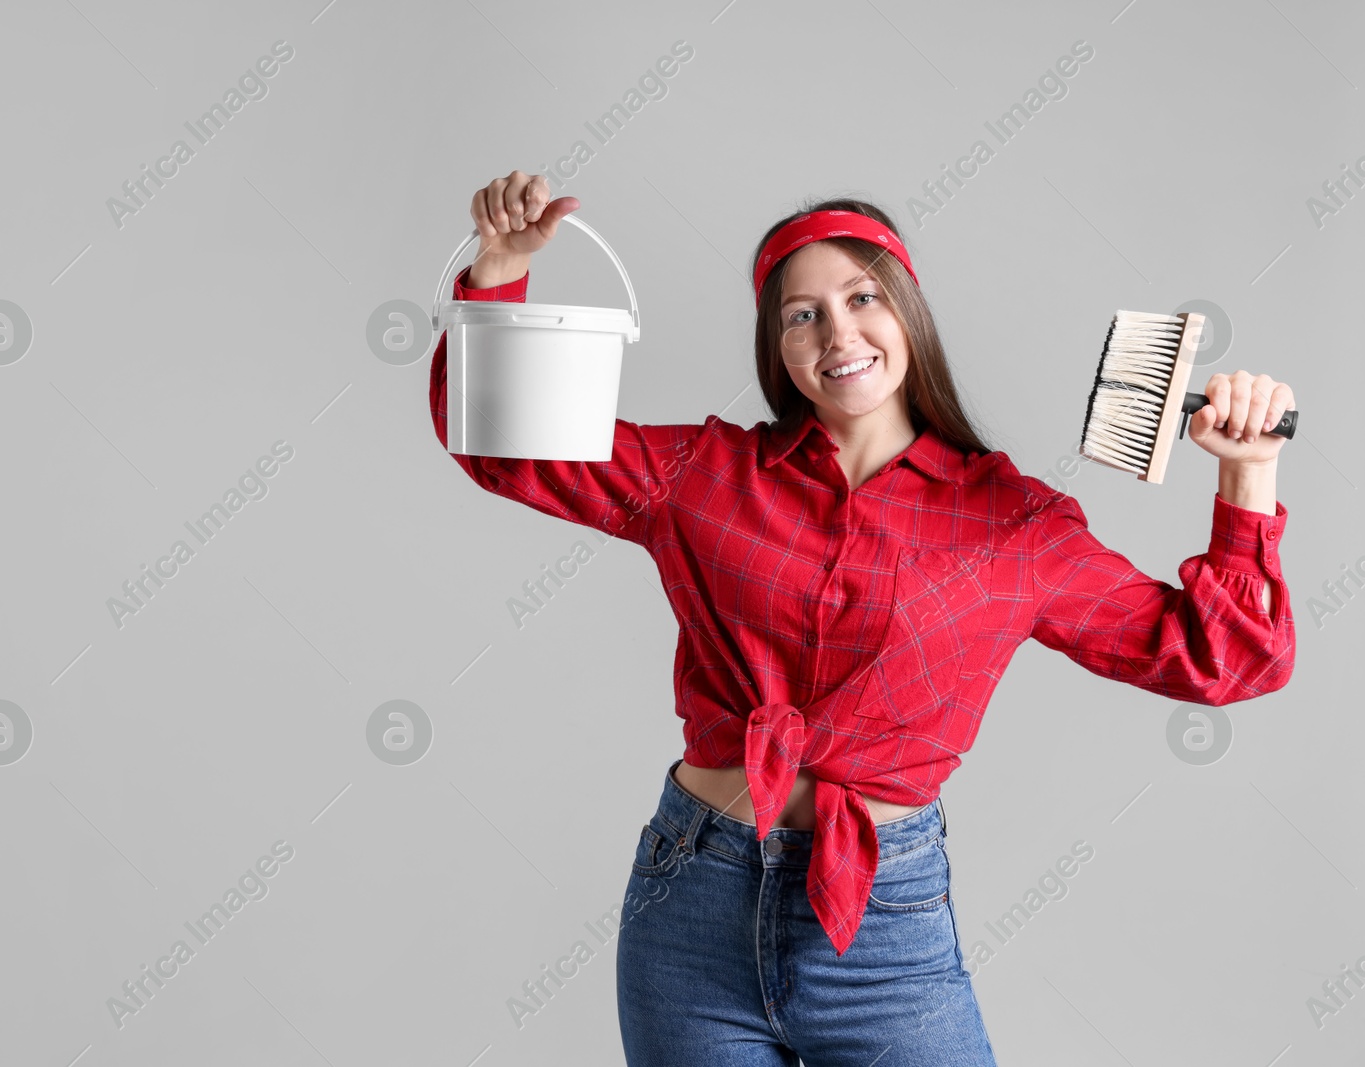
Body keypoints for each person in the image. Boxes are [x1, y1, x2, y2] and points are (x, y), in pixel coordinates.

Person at [428, 170, 1297, 1066]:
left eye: (861, 296)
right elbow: (500, 441)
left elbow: (1226, 658)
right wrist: (500, 267)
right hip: (691, 908)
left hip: (883, 932)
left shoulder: (1016, 526)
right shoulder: (701, 475)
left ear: (908, 312)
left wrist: (1247, 473)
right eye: (801, 314)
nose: (838, 332)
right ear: (778, 346)